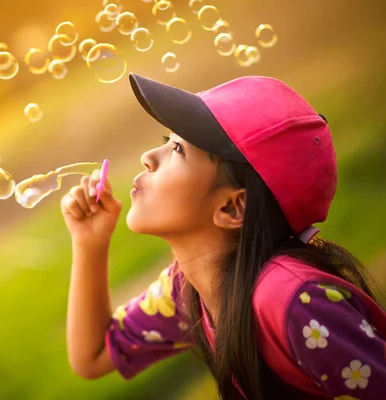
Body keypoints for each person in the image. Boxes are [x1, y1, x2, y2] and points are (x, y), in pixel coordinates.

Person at [60, 73, 386, 400]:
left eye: (177, 149)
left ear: (232, 208)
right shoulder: (189, 289)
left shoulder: (295, 304)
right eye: (166, 140)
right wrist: (90, 241)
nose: (148, 156)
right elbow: (93, 357)